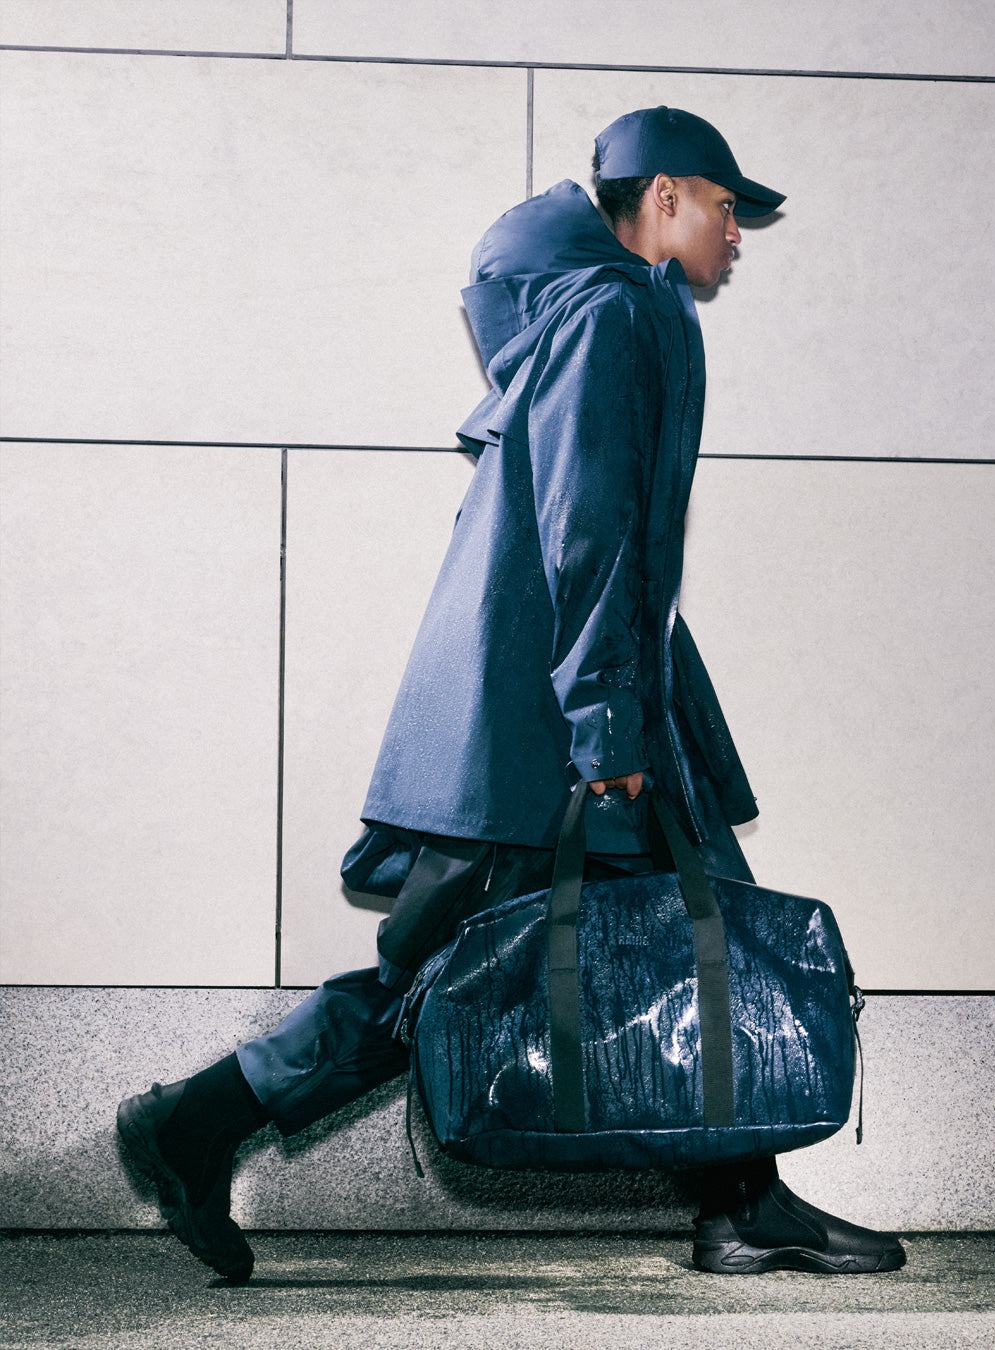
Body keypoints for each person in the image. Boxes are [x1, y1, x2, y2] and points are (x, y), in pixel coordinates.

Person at [118, 106, 906, 1284]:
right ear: (665, 196)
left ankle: (745, 1200)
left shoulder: (607, 310)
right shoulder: (615, 314)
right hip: (558, 726)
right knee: (455, 973)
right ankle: (195, 1122)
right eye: (724, 206)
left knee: (689, 932)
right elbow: (587, 534)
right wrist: (606, 727)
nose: (736, 234)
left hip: (574, 707)